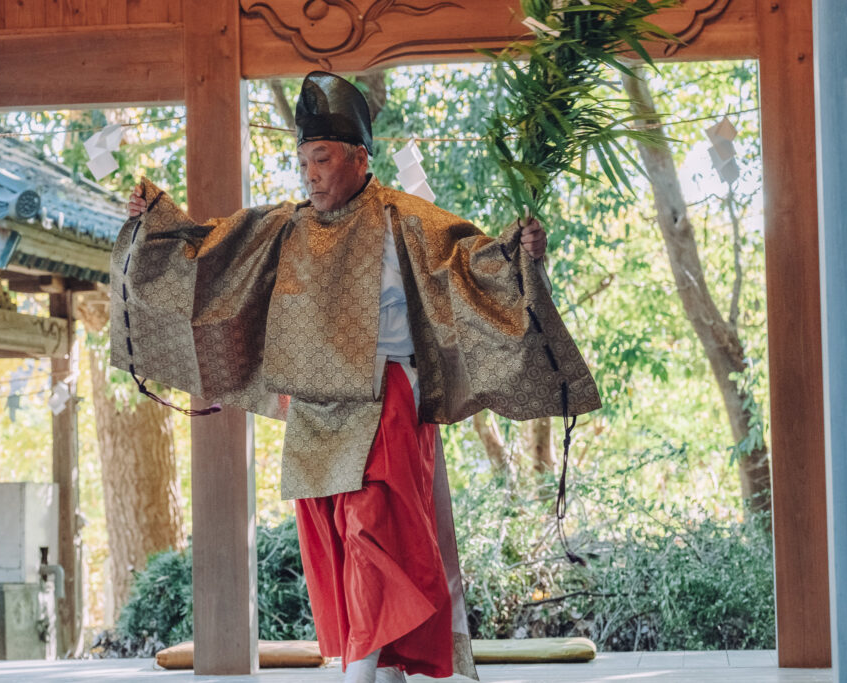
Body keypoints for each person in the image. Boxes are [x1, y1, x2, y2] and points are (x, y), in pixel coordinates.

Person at [115, 71, 600, 683]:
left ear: (358, 157)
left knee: (375, 532)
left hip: (385, 395)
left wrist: (524, 249)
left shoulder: (409, 219)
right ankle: (382, 668)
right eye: (303, 162)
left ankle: (360, 677)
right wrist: (155, 217)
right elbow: (209, 253)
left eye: (321, 158)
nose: (310, 173)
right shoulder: (284, 226)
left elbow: (482, 268)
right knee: (337, 544)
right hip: (313, 413)